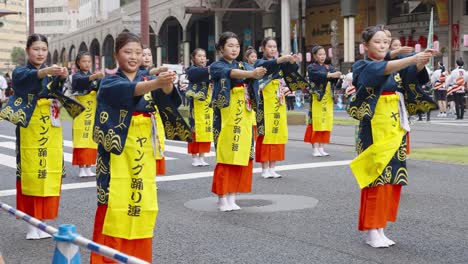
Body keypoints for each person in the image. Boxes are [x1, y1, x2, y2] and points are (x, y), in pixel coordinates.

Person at [347, 25, 436, 248]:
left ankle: (381, 227)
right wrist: (409, 58)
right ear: (365, 46)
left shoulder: (395, 67)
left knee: (392, 178)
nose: (383, 45)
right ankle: (371, 230)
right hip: (374, 129)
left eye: (385, 42)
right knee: (376, 178)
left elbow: (413, 76)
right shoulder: (362, 66)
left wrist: (420, 61)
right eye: (377, 42)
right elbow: (382, 69)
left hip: (395, 125)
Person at [90, 32, 176, 263]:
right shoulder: (110, 81)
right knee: (113, 205)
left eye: (138, 52)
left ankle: (138, 258)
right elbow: (128, 91)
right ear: (116, 54)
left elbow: (168, 100)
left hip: (141, 156)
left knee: (140, 203)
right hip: (114, 158)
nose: (134, 57)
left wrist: (166, 84)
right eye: (128, 52)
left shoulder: (146, 79)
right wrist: (156, 83)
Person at [0, 34, 82, 240]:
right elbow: (22, 83)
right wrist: (45, 71)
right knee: (30, 174)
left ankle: (42, 222)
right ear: (28, 50)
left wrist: (62, 77)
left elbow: (62, 91)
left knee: (48, 171)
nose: (40, 53)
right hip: (30, 128)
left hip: (50, 126)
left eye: (43, 49)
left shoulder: (51, 73)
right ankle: (30, 225)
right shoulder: (20, 71)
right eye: (36, 49)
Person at [210, 31, 267, 211]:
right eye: (230, 46)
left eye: (237, 46)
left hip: (244, 116)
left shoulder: (244, 65)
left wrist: (280, 61)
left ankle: (233, 195)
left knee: (243, 155)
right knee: (227, 156)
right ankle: (222, 197)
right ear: (221, 49)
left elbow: (257, 70)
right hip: (227, 118)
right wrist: (250, 74)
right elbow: (231, 73)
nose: (234, 49)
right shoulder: (216, 66)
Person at [254, 37, 300, 178]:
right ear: (263, 48)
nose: (273, 49)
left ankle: (273, 167)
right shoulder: (260, 62)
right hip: (264, 102)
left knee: (277, 133)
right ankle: (264, 168)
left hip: (278, 100)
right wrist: (281, 59)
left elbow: (292, 71)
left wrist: (292, 62)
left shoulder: (280, 63)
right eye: (270, 46)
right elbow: (267, 65)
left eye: (275, 47)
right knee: (265, 133)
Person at [304, 45, 342, 157]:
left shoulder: (328, 67)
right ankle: (315, 147)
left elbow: (335, 79)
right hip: (317, 98)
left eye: (324, 54)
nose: (322, 56)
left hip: (327, 98)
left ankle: (321, 147)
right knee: (317, 123)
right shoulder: (312, 67)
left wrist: (338, 76)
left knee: (326, 122)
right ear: (315, 56)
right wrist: (330, 75)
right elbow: (316, 75)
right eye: (320, 54)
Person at [71, 51, 103, 177]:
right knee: (81, 139)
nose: (87, 64)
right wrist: (95, 77)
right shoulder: (76, 76)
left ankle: (88, 166)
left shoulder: (94, 77)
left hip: (92, 112)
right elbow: (82, 82)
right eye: (84, 61)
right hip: (81, 112)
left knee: (91, 139)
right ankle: (81, 168)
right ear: (78, 63)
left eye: (89, 61)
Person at [140, 46, 168, 175]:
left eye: (149, 55)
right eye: (143, 54)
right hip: (139, 118)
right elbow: (144, 74)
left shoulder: (154, 77)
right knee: (142, 148)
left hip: (155, 116)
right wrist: (158, 71)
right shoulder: (135, 73)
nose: (146, 57)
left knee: (156, 144)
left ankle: (151, 177)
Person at [185, 48, 213, 166]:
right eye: (199, 56)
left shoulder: (208, 70)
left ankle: (202, 156)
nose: (202, 58)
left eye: (204, 56)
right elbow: (196, 75)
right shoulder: (192, 70)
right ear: (193, 58)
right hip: (196, 106)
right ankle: (195, 157)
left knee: (207, 129)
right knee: (195, 131)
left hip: (207, 104)